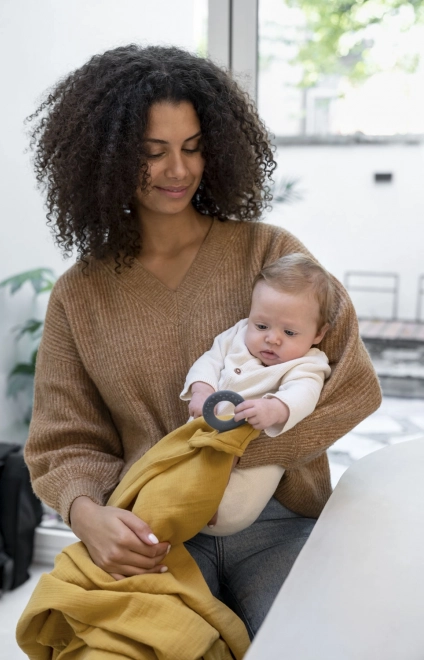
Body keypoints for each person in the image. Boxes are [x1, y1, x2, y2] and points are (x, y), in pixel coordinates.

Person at [23, 43, 382, 639]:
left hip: (278, 519)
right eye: (152, 153)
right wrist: (89, 517)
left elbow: (352, 387)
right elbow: (63, 440)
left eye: (192, 148)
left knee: (309, 644)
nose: (178, 170)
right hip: (154, 534)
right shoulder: (78, 294)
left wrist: (224, 461)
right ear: (105, 158)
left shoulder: (271, 254)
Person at [180, 253, 333, 536]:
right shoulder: (235, 336)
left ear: (318, 334)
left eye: (289, 332)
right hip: (207, 428)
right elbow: (209, 361)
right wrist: (202, 390)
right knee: (177, 465)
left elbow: (304, 393)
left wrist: (275, 408)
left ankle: (213, 507)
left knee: (233, 505)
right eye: (261, 326)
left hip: (254, 446)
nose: (272, 338)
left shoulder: (307, 363)